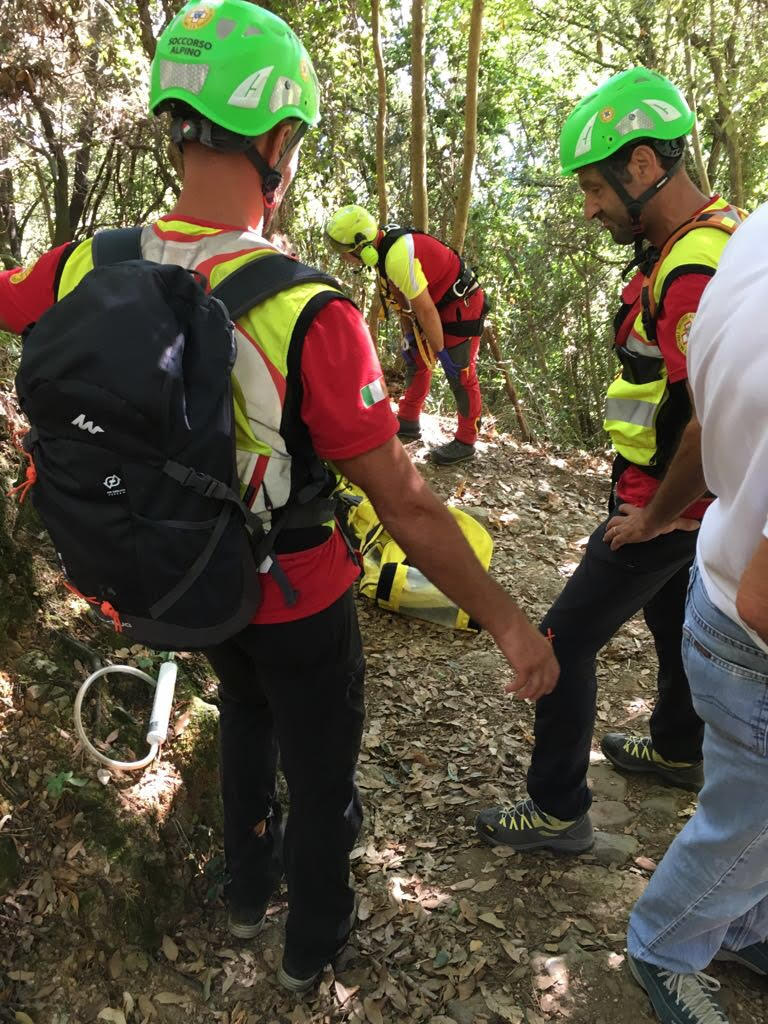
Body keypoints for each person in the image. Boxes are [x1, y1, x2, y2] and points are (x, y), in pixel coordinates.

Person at [0, 0, 558, 994]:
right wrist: (512, 625)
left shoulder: (90, 262)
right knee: (321, 760)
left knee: (245, 713)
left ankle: (249, 890)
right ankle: (314, 945)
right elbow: (408, 505)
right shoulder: (311, 310)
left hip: (189, 575)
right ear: (273, 139)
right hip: (299, 594)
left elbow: (10, 302)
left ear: (179, 126)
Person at [475, 66, 745, 854]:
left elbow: (704, 415)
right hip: (693, 503)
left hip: (668, 503)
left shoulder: (693, 266)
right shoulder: (720, 229)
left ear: (641, 166)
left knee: (559, 642)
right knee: (670, 618)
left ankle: (556, 807)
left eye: (594, 188)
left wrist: (655, 517)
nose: (590, 208)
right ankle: (675, 745)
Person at [619, 201, 768, 1024]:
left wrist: (660, 517)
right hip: (750, 632)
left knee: (748, 821)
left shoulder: (750, 243)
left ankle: (741, 923)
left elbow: (708, 423)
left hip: (714, 589)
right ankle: (664, 942)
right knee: (745, 823)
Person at [324, 205, 488, 465]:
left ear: (361, 248)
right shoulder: (381, 249)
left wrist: (442, 351)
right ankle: (409, 420)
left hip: (460, 305)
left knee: (460, 372)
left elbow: (424, 309)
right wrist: (410, 333)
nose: (345, 259)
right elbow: (404, 299)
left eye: (345, 253)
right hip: (433, 304)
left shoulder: (397, 256)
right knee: (416, 359)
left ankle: (467, 441)